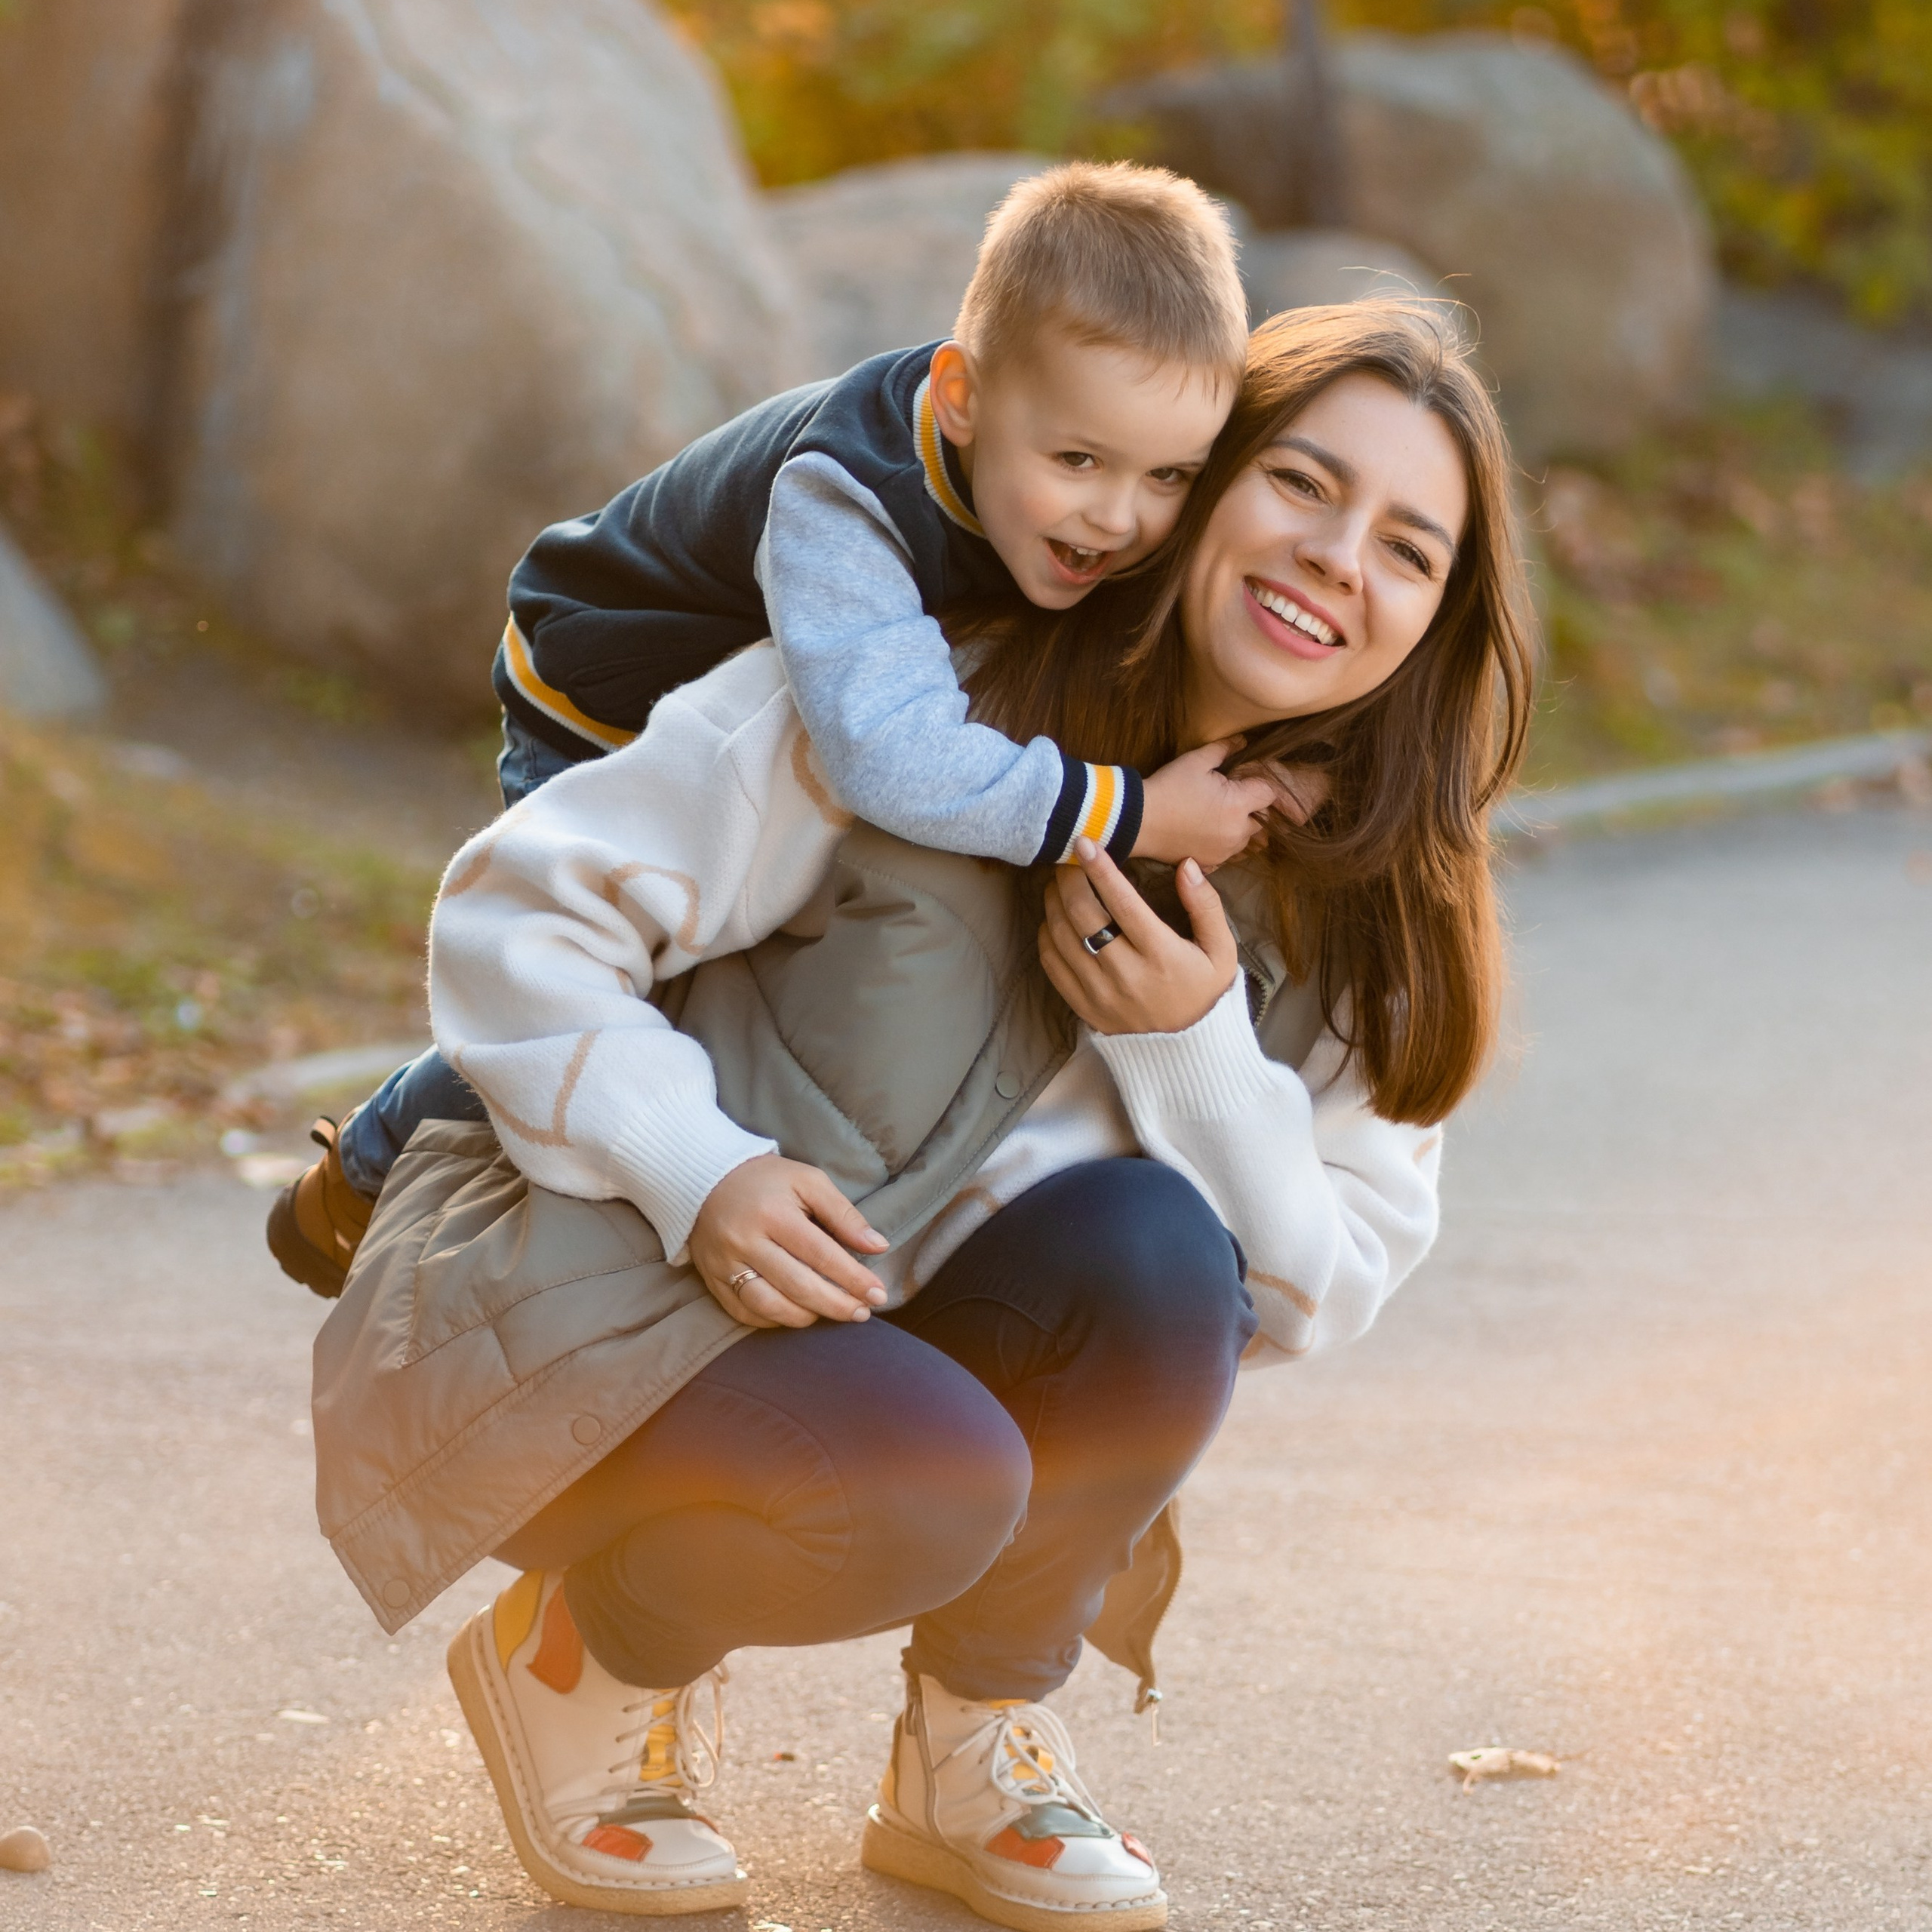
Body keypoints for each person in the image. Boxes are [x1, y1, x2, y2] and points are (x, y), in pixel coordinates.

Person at [308, 299, 1536, 1930]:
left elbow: (1313, 1284)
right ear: (1196, 481)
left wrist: (1194, 1049)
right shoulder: (915, 713)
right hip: (586, 1313)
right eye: (1301, 484)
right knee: (937, 1477)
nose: (1334, 559)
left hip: (877, 1361)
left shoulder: (1356, 897)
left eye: (1404, 545)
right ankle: (579, 1658)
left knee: (1167, 1257)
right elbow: (516, 918)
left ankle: (971, 1750)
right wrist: (703, 1171)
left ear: (1439, 615)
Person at [269, 160, 1275, 1297]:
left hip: (760, 728)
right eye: (1079, 461)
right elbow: (887, 756)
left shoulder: (1067, 504)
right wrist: (1133, 807)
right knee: (622, 985)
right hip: (606, 691)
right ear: (962, 397)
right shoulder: (842, 494)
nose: (1121, 515)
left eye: (1170, 476)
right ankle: (374, 1164)